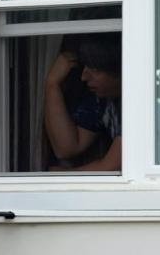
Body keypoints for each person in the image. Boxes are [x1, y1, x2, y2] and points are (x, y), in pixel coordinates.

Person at [43, 33, 122, 172]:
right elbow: (67, 148)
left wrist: (64, 177)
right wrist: (52, 84)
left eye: (95, 70)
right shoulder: (103, 99)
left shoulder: (140, 102)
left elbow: (112, 165)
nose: (84, 77)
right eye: (85, 67)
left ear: (118, 70)